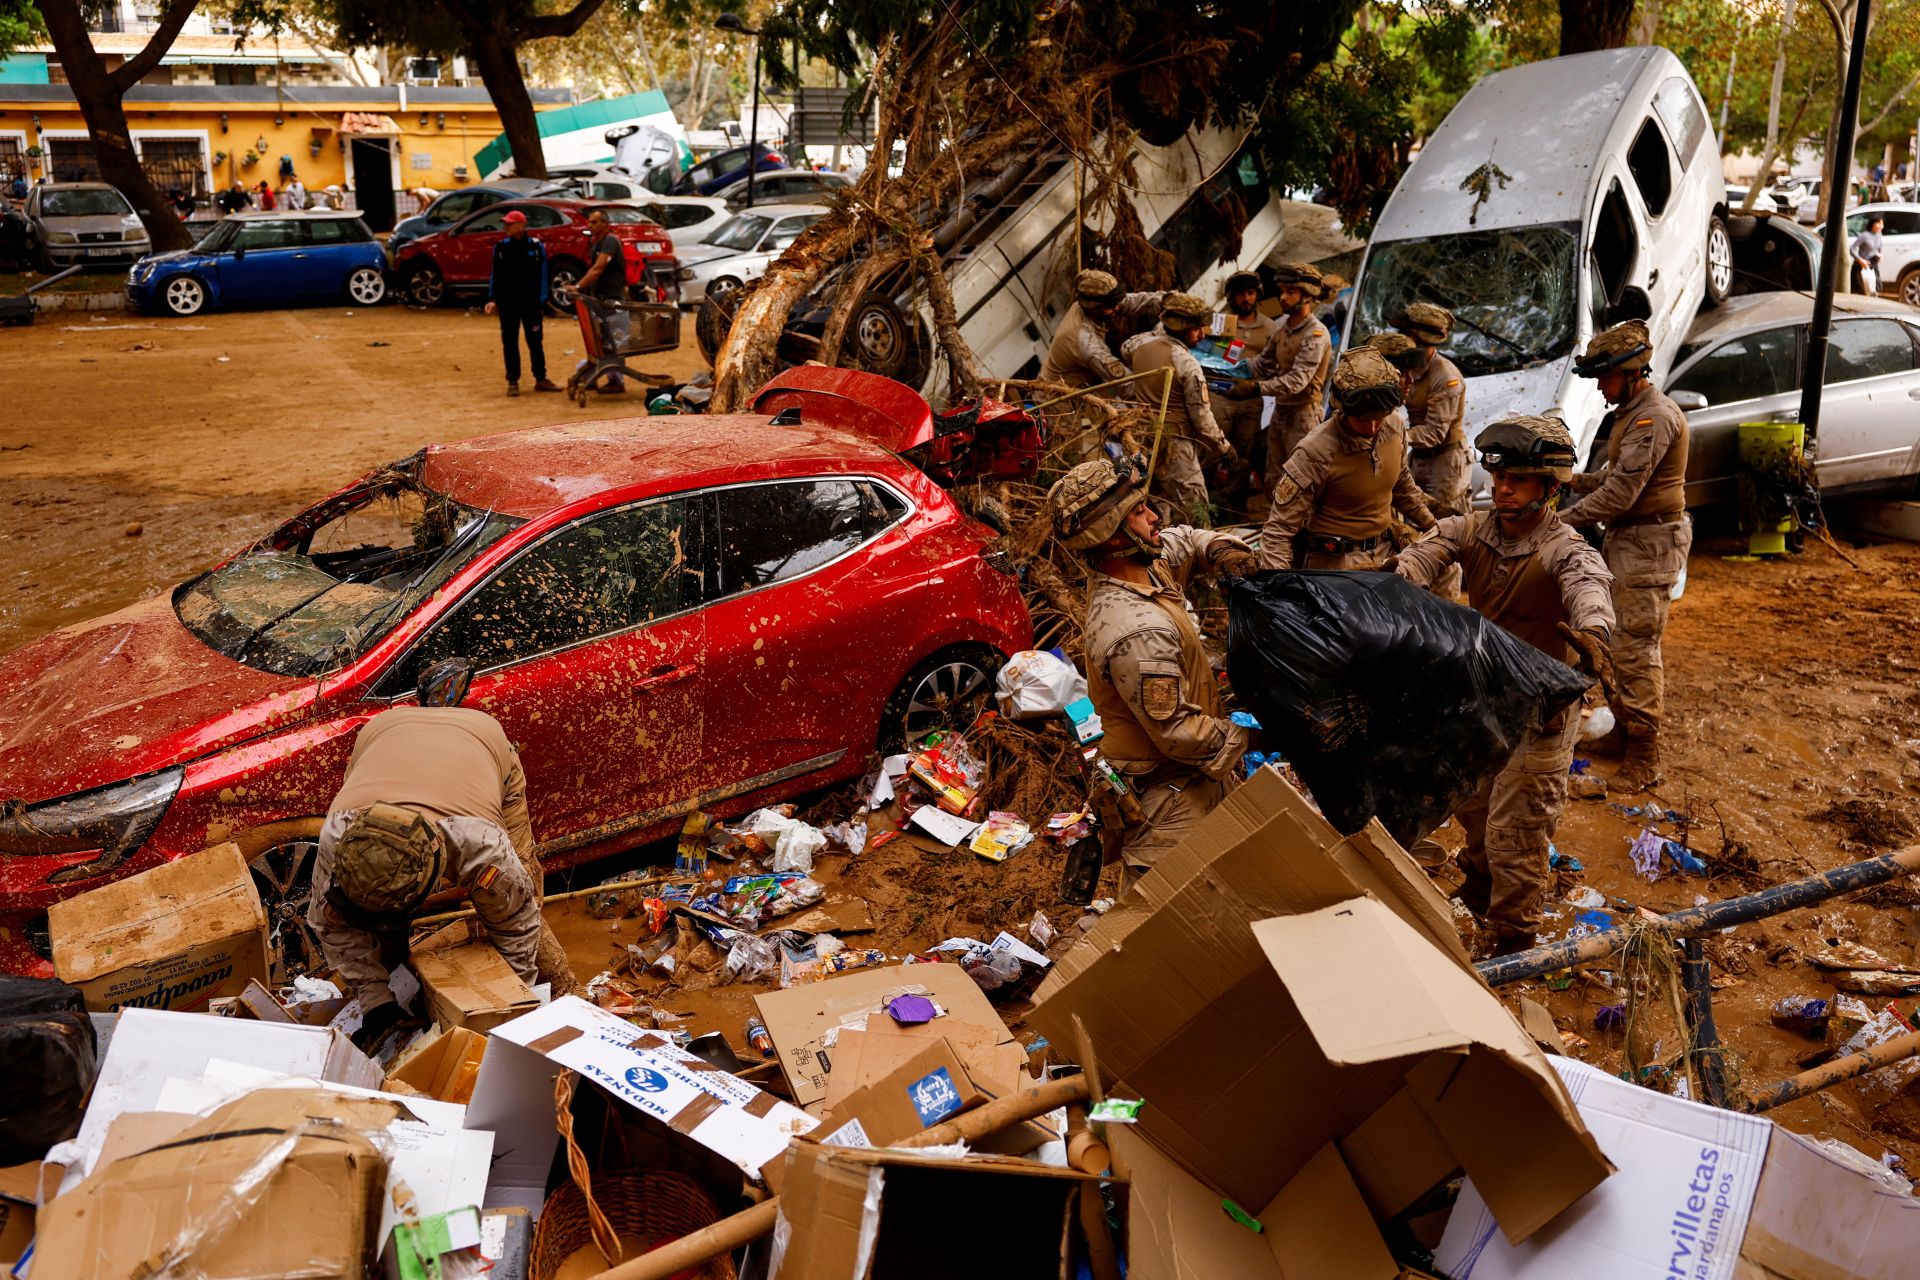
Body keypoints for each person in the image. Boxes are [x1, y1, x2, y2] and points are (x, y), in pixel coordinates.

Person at [1395, 415, 1615, 955]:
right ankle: (1478, 892)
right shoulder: (1472, 528)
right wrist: (1394, 587)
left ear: (1551, 487)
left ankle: (1513, 940)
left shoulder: (1566, 547)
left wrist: (1593, 635)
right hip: (1481, 702)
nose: (1501, 489)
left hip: (1541, 711)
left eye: (1516, 480)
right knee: (1472, 808)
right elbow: (1423, 555)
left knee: (1517, 836)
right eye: (1497, 478)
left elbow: (1589, 586)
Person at [307, 657, 579, 1052]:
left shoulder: (483, 848)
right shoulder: (338, 834)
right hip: (385, 738)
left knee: (518, 892)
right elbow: (330, 922)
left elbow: (516, 926)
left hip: (484, 754)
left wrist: (507, 1003)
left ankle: (563, 987)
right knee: (373, 923)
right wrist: (375, 1004)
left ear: (437, 875)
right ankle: (392, 992)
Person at [1049, 455, 1257, 889]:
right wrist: (1255, 738)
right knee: (1167, 932)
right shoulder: (1135, 633)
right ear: (1110, 539)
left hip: (1196, 785)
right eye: (1138, 512)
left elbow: (1185, 540)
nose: (1153, 516)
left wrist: (1216, 549)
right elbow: (1178, 733)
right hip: (1169, 808)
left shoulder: (1145, 565)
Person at [1554, 319, 1690, 793]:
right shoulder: (1632, 414)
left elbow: (1620, 495)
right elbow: (1611, 479)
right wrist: (1569, 479)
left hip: (1648, 544)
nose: (1599, 386)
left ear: (1632, 372)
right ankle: (1625, 736)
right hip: (1631, 541)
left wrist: (1559, 522)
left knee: (1635, 650)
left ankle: (1646, 754)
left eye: (1605, 377)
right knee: (1613, 643)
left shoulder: (1653, 418)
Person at [1257, 347, 1435, 569]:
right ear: (1343, 408)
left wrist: (1434, 527)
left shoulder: (1395, 427)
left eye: (1378, 417)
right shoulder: (1315, 452)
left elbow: (1403, 488)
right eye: (1362, 419)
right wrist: (1278, 587)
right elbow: (1278, 531)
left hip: (1386, 555)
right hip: (1335, 565)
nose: (1371, 427)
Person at [1120, 292, 1236, 526]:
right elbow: (1201, 418)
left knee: (1155, 503)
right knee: (1195, 508)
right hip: (1176, 445)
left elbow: (1125, 358)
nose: (1202, 335)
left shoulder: (1136, 343)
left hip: (1142, 438)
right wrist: (1223, 446)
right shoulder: (1186, 363)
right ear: (1182, 327)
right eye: (1196, 329)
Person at [1224, 261, 1331, 469]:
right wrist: (1228, 371)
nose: (1282, 297)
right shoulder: (1281, 324)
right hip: (1280, 412)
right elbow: (1264, 362)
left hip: (1303, 416)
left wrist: (1255, 388)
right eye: (1281, 291)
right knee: (1274, 476)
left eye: (1290, 292)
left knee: (1298, 478)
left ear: (1307, 295)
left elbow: (1296, 381)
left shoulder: (1316, 334)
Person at [1210, 270, 1278, 516]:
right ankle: (1207, 503)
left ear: (1257, 295)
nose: (1245, 299)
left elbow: (1274, 363)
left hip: (1251, 401)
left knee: (1244, 454)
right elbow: (1207, 354)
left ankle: (1234, 506)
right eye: (1240, 294)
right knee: (1213, 448)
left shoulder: (1270, 326)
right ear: (1231, 296)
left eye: (1250, 293)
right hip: (1221, 397)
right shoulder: (1220, 322)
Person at [1038, 268, 1166, 388]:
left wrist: (1172, 302)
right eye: (1111, 306)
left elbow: (1140, 302)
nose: (1116, 308)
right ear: (1093, 307)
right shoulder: (1084, 341)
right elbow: (1125, 383)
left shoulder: (1099, 304)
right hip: (1055, 399)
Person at [484, 210, 562, 396]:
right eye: (505, 224)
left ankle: (540, 378)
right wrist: (493, 298)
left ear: (521, 225)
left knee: (535, 341)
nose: (506, 227)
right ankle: (513, 380)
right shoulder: (501, 248)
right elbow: (496, 275)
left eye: (510, 224)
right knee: (509, 341)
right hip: (508, 303)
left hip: (530, 303)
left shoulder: (535, 247)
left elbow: (543, 274)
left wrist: (541, 300)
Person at [576, 207, 631, 393]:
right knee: (601, 342)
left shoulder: (610, 241)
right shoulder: (597, 243)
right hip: (601, 301)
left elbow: (598, 269)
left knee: (612, 343)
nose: (589, 225)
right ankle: (595, 375)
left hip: (612, 301)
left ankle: (616, 381)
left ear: (605, 224)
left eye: (594, 222)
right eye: (589, 222)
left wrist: (578, 287)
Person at [1850, 214, 1885, 295]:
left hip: (1873, 265)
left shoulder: (1879, 235)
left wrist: (1880, 254)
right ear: (1872, 224)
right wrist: (1861, 261)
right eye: (1878, 223)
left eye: (1882, 224)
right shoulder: (1865, 235)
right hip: (1861, 267)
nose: (1881, 226)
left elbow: (1879, 248)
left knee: (1876, 288)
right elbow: (1852, 249)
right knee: (1862, 290)